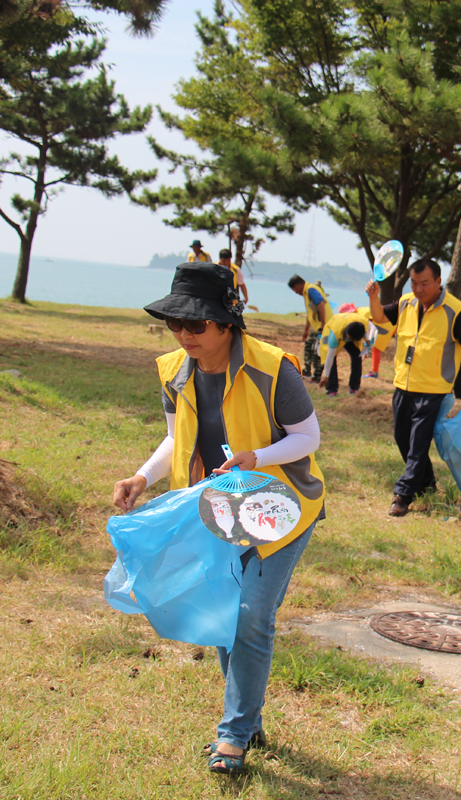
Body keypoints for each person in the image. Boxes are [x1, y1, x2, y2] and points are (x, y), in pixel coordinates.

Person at [112, 261, 324, 776]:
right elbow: (173, 436)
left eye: (197, 325)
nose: (185, 334)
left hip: (281, 506)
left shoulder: (274, 367)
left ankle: (232, 736)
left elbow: (308, 437)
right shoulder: (173, 370)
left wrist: (256, 456)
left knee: (251, 613)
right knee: (228, 616)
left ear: (227, 323)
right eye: (175, 324)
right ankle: (246, 722)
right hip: (218, 510)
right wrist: (142, 477)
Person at [367, 258, 461, 517]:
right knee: (402, 438)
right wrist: (374, 297)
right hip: (403, 384)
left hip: (434, 389)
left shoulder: (455, 311)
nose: (418, 289)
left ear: (438, 282)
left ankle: (403, 495)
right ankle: (428, 485)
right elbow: (379, 318)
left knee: (418, 442)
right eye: (414, 283)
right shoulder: (405, 303)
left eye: (424, 283)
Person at [288, 275, 332, 381]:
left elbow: (321, 304)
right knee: (309, 345)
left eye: (294, 289)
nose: (295, 292)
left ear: (299, 284)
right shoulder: (306, 293)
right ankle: (307, 371)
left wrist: (323, 323)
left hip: (325, 325)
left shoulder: (310, 289)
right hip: (318, 327)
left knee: (317, 350)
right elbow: (310, 312)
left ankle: (317, 376)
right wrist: (306, 330)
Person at [317, 312, 368, 396]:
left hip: (352, 328)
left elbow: (368, 333)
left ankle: (354, 387)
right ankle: (332, 389)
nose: (349, 341)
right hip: (334, 328)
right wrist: (326, 376)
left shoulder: (363, 325)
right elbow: (329, 357)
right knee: (331, 359)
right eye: (349, 338)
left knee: (357, 356)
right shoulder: (335, 334)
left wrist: (366, 345)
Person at [358, 304, 395, 380]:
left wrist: (366, 346)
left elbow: (370, 330)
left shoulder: (360, 315)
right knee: (375, 347)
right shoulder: (360, 311)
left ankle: (374, 372)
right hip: (388, 323)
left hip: (386, 325)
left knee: (376, 348)